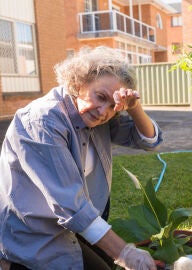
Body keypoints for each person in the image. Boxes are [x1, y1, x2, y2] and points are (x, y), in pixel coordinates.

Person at [0, 46, 162, 270]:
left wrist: (134, 107)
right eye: (100, 97)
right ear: (78, 84)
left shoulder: (99, 117)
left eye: (113, 105)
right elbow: (70, 205)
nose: (104, 111)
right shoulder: (41, 122)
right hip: (36, 234)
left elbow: (149, 141)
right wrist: (125, 253)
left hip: (81, 227)